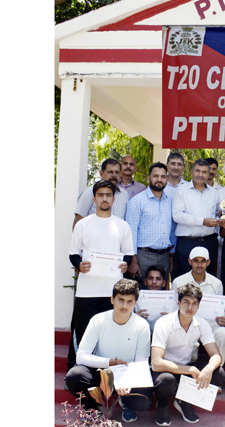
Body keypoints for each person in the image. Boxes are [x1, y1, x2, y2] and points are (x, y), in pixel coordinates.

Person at [67, 180, 135, 371]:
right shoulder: (83, 225)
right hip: (87, 291)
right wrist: (79, 265)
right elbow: (73, 254)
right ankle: (74, 369)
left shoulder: (122, 226)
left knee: (108, 334)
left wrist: (125, 264)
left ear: (113, 199)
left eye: (108, 195)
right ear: (94, 198)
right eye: (100, 195)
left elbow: (128, 253)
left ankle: (106, 373)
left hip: (111, 292)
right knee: (82, 332)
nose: (104, 199)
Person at [65, 279, 152, 422]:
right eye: (120, 300)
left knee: (144, 401)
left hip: (128, 372)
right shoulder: (98, 320)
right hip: (102, 371)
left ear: (136, 303)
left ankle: (125, 402)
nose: (124, 306)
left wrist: (127, 381)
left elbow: (141, 362)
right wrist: (111, 362)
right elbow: (81, 356)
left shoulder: (142, 325)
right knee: (74, 376)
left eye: (129, 301)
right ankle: (93, 408)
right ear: (112, 299)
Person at [151, 283, 225, 425]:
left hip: (185, 367)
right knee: (166, 381)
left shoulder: (201, 324)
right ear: (178, 303)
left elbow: (216, 355)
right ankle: (162, 404)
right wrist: (190, 370)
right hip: (166, 369)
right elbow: (156, 363)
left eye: (194, 303)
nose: (190, 307)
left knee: (219, 373)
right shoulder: (164, 323)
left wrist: (209, 369)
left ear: (199, 306)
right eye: (186, 302)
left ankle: (184, 400)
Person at [171, 247, 225, 366]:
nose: (199, 264)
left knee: (223, 332)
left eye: (203, 261)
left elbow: (219, 310)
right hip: (187, 324)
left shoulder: (216, 283)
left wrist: (223, 319)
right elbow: (174, 309)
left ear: (208, 262)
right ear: (189, 261)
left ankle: (218, 369)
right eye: (196, 261)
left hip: (210, 324)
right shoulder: (178, 282)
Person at [124, 162, 176, 284]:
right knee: (141, 293)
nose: (159, 179)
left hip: (165, 256)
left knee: (160, 295)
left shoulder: (170, 202)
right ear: (148, 179)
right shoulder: (137, 201)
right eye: (155, 176)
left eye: (163, 177)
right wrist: (133, 261)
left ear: (167, 180)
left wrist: (171, 257)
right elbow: (131, 233)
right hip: (143, 256)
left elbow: (172, 231)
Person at [172, 159, 221, 278]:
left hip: (210, 242)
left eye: (204, 172)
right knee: (184, 279)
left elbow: (217, 214)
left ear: (208, 174)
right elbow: (177, 215)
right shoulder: (181, 190)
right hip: (187, 243)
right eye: (197, 171)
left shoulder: (214, 193)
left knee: (208, 279)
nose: (200, 174)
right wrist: (203, 221)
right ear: (191, 172)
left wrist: (220, 220)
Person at [74, 159, 131, 228]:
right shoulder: (90, 192)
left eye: (117, 172)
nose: (114, 175)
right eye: (110, 172)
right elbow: (78, 221)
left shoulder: (124, 194)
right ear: (101, 173)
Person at [134, 265, 171, 332]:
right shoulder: (136, 298)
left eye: (158, 279)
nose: (154, 282)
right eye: (150, 278)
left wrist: (172, 319)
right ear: (145, 281)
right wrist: (134, 317)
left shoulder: (171, 299)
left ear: (164, 283)